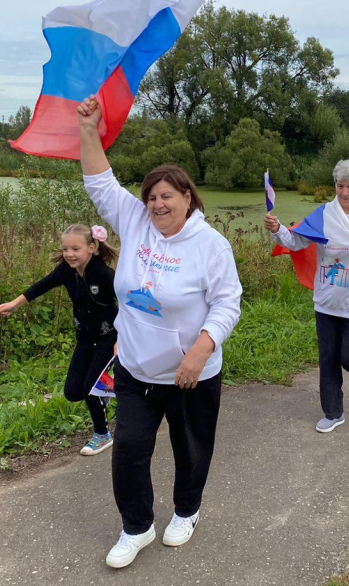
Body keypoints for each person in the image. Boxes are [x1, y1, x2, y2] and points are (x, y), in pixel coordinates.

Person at [77, 95, 242, 570]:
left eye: (167, 195)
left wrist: (199, 352)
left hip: (191, 375)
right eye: (151, 196)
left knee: (190, 453)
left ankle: (187, 511)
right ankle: (137, 526)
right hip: (134, 368)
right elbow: (100, 182)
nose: (157, 203)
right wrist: (90, 129)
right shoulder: (135, 221)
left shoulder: (211, 245)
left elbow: (228, 303)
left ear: (188, 198)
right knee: (128, 451)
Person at [264, 159, 349, 433]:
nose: (345, 192)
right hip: (328, 299)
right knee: (328, 358)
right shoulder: (324, 214)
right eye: (340, 186)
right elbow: (297, 241)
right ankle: (333, 412)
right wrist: (278, 230)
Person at [0, 224, 118, 456]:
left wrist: (125, 338)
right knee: (73, 392)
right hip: (84, 339)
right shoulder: (66, 271)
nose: (69, 254)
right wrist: (13, 304)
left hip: (109, 338)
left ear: (92, 248)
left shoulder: (104, 274)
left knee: (90, 388)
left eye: (75, 248)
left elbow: (128, 304)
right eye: (65, 249)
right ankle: (108, 390)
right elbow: (41, 286)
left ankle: (102, 435)